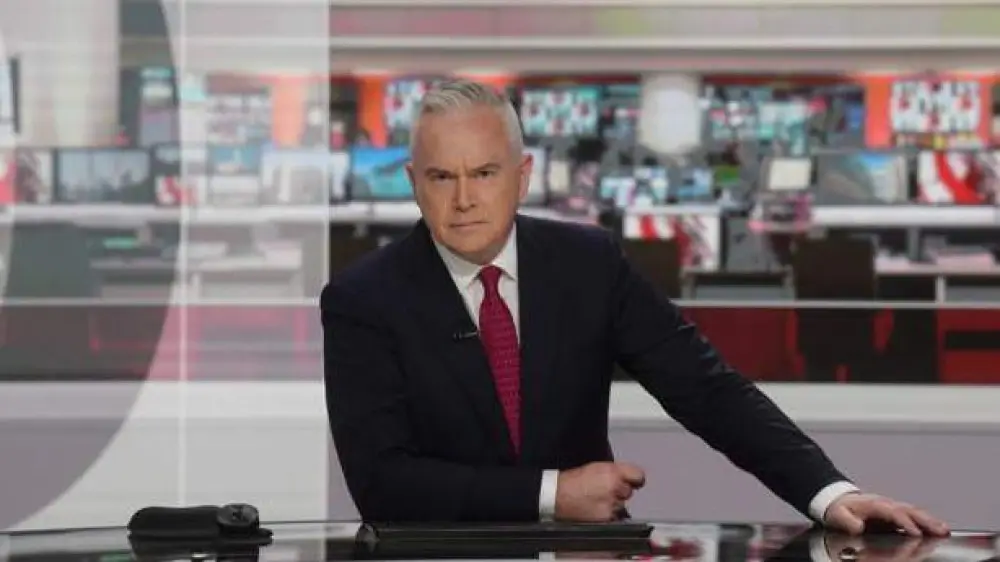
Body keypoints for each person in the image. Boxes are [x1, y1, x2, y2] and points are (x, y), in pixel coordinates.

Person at [321, 79, 949, 535]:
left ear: (523, 175)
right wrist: (553, 493)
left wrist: (829, 493)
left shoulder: (587, 263)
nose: (463, 199)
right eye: (442, 177)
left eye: (484, 173)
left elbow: (707, 389)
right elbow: (382, 482)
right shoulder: (362, 300)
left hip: (581, 552)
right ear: (413, 182)